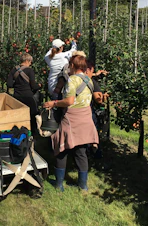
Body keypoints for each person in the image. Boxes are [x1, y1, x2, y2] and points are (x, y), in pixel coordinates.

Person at [43, 55, 99, 192]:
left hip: (72, 118)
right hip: (85, 118)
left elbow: (69, 101)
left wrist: (54, 103)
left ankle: (59, 184)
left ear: (73, 66)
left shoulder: (72, 80)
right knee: (81, 151)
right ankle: (83, 186)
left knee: (62, 150)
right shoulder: (89, 80)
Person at [7, 53, 41, 135]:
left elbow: (9, 84)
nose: (30, 64)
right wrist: (39, 86)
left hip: (17, 97)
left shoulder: (13, 70)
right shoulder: (29, 71)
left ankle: (19, 133)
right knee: (32, 116)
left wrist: (17, 85)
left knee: (19, 117)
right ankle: (33, 134)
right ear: (27, 61)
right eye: (30, 62)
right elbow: (33, 86)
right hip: (28, 97)